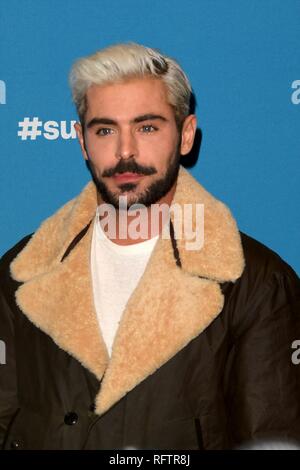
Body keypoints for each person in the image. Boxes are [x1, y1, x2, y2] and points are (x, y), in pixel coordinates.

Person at [0, 42, 299, 451]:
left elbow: (270, 441)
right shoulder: (21, 271)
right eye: (105, 130)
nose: (126, 152)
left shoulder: (257, 282)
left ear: (186, 135)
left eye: (147, 127)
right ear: (82, 142)